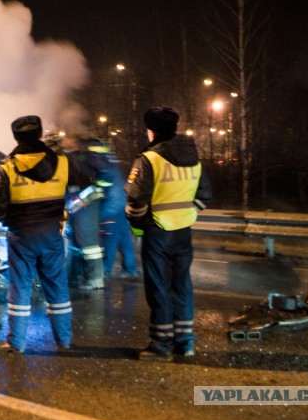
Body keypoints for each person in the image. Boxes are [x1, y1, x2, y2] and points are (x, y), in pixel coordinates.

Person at [0, 115, 93, 354]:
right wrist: (69, 209)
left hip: (21, 236)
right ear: (39, 133)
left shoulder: (7, 167)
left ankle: (17, 343)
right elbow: (88, 186)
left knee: (20, 288)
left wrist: (7, 220)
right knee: (57, 288)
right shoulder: (63, 162)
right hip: (52, 233)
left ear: (16, 137)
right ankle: (64, 341)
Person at [125, 107, 212, 361]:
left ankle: (161, 345)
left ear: (152, 131)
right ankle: (185, 343)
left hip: (158, 231)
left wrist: (139, 224)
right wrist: (189, 215)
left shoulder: (149, 159)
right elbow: (205, 195)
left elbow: (135, 200)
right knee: (181, 284)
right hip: (183, 232)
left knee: (159, 288)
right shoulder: (193, 158)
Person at [58, 134, 110, 290]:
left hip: (87, 201)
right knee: (77, 240)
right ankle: (77, 276)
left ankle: (95, 279)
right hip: (82, 201)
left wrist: (77, 200)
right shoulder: (76, 157)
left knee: (89, 243)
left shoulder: (81, 157)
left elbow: (91, 183)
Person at [98, 148, 138, 280]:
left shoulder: (105, 170)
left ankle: (105, 272)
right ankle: (130, 270)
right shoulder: (119, 166)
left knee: (110, 242)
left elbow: (102, 192)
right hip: (122, 209)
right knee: (125, 241)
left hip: (111, 211)